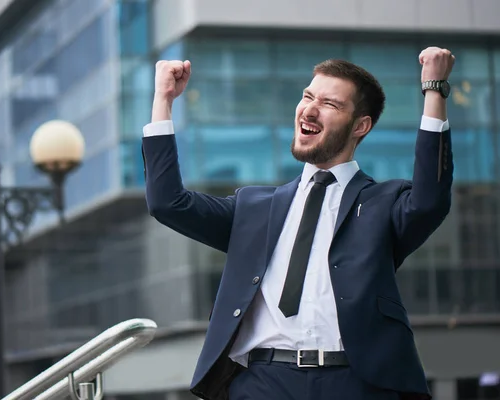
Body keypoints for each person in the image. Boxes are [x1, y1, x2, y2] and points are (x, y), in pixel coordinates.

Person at [141, 47, 455, 400]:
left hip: (356, 383)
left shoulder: (385, 203)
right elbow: (168, 203)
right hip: (263, 382)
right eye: (308, 96)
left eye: (330, 104)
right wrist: (163, 100)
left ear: (361, 126)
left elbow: (431, 200)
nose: (309, 108)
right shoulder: (253, 207)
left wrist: (434, 88)